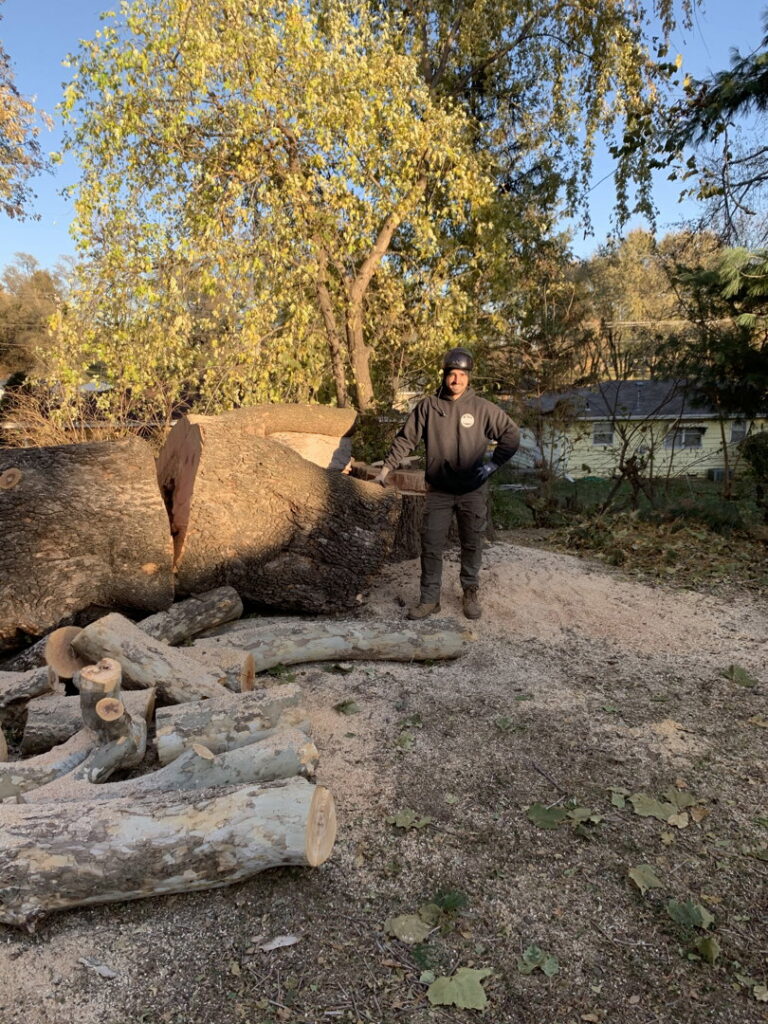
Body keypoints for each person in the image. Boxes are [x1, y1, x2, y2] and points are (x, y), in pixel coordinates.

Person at [374, 348, 519, 620]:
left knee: (472, 542)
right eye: (452, 374)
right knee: (430, 544)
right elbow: (406, 439)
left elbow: (511, 435)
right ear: (444, 376)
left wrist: (490, 465)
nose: (456, 380)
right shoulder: (429, 407)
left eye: (461, 375)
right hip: (439, 491)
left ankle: (470, 591)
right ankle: (430, 599)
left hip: (472, 491)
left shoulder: (483, 408)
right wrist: (384, 471)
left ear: (469, 377)